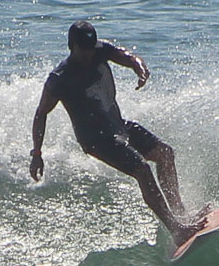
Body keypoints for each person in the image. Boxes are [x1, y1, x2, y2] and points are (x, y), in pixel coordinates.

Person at [29, 20, 203, 248]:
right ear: (71, 46)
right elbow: (41, 113)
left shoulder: (100, 51)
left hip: (117, 126)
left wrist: (139, 68)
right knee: (142, 169)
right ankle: (176, 229)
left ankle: (181, 214)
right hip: (95, 139)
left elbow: (127, 57)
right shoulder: (60, 79)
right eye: (83, 51)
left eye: (91, 50)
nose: (88, 56)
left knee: (165, 153)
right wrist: (37, 153)